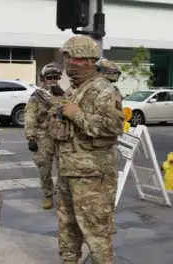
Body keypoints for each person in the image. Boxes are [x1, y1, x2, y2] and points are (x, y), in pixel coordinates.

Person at [53, 35, 124, 264]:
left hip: (93, 175)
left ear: (85, 59)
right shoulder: (75, 89)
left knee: (96, 230)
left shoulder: (103, 89)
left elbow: (113, 126)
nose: (66, 63)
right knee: (68, 224)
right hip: (69, 169)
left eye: (69, 57)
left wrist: (75, 114)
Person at [24, 63, 64, 209]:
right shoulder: (37, 97)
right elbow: (30, 116)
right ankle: (48, 194)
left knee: (63, 168)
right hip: (43, 135)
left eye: (55, 77)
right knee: (44, 167)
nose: (53, 80)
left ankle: (61, 196)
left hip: (60, 135)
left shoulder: (63, 95)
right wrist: (31, 137)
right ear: (43, 79)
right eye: (49, 78)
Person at [96, 58, 125, 234]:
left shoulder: (80, 89)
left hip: (81, 152)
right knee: (106, 191)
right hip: (104, 149)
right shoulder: (111, 91)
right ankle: (107, 225)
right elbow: (116, 124)